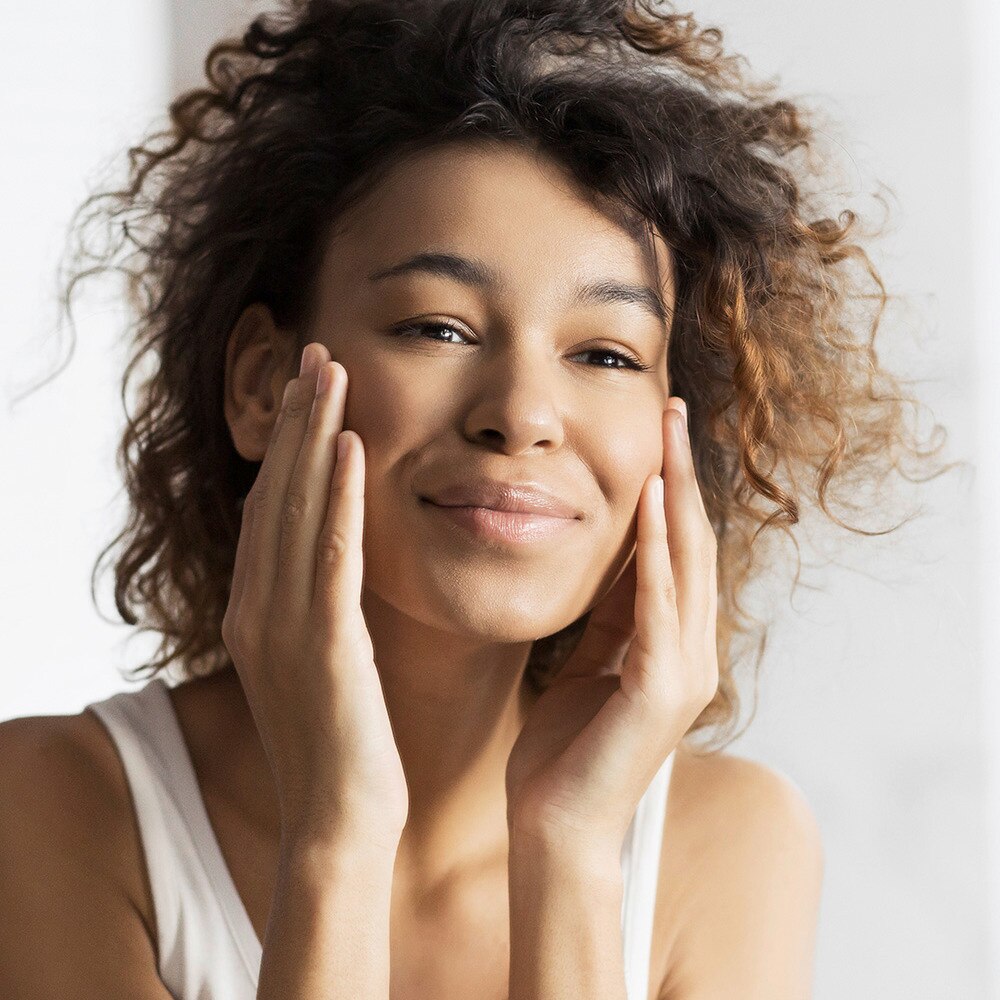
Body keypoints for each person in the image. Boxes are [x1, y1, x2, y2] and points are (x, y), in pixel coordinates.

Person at [0, 1, 949, 997]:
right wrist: (337, 838)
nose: (523, 413)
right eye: (438, 329)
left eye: (603, 353)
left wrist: (571, 849)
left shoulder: (729, 845)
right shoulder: (56, 805)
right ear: (258, 384)